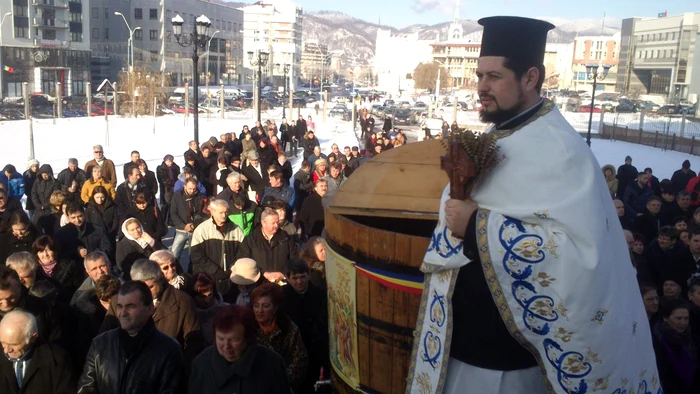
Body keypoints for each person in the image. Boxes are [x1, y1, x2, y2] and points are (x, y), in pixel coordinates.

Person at [408, 17, 658, 394]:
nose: (481, 87)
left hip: (509, 366)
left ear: (530, 78)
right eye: (479, 75)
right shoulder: (502, 132)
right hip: (458, 349)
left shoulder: (560, 150)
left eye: (494, 76)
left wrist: (477, 225)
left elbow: (580, 258)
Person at [78, 281, 186, 393]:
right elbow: (86, 389)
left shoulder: (169, 350)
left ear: (150, 309)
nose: (123, 313)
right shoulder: (100, 345)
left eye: (130, 306)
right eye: (119, 307)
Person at [189, 306, 291, 394]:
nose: (226, 346)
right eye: (220, 339)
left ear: (248, 338)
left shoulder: (272, 363)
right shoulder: (201, 364)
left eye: (234, 340)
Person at [282, 258, 329, 393]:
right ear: (288, 278)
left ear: (308, 275)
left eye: (302, 277)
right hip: (291, 352)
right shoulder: (282, 297)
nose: (299, 281)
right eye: (295, 278)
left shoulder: (320, 295)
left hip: (314, 350)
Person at [0, 310, 75, 393]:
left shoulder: (57, 359)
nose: (6, 350)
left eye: (13, 344)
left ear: (33, 338)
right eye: (3, 343)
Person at [251, 283, 308, 391]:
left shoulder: (288, 328)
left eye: (265, 306)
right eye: (256, 305)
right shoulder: (248, 327)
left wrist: (280, 380)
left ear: (275, 307)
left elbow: (300, 361)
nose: (259, 311)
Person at [190, 199, 245, 297]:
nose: (224, 215)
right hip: (207, 279)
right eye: (221, 212)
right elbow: (196, 256)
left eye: (226, 212)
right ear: (212, 212)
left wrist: (231, 269)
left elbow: (242, 253)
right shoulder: (202, 230)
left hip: (231, 277)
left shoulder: (236, 230)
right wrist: (215, 271)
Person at [0, 265, 61, 344]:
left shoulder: (42, 309)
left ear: (20, 287)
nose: (5, 304)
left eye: (11, 297)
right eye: (0, 299)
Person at [236, 208, 298, 281]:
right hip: (258, 283)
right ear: (263, 223)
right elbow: (244, 260)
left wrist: (284, 274)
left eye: (277, 222)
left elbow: (295, 259)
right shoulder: (250, 240)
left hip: (282, 282)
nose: (276, 225)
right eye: (273, 223)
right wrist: (263, 273)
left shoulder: (286, 238)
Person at [652, 299, 698, 393]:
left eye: (686, 318)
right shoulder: (657, 340)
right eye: (679, 318)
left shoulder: (692, 339)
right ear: (666, 318)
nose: (683, 323)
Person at [170, 177, 206, 265]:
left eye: (194, 189)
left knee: (194, 255)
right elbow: (173, 213)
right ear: (185, 186)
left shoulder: (200, 196)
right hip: (181, 229)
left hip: (194, 229)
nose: (192, 191)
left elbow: (201, 213)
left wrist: (194, 224)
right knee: (174, 255)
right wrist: (183, 226)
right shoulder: (177, 195)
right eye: (190, 188)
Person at [187, 272, 228, 345]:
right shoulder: (187, 314)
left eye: (210, 295)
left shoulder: (226, 310)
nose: (207, 300)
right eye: (202, 297)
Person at [84, 186, 119, 252]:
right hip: (96, 237)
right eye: (97, 197)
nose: (100, 200)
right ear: (93, 197)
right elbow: (88, 221)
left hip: (110, 235)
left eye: (102, 197)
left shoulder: (112, 206)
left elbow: (116, 221)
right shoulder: (90, 208)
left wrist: (112, 232)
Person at [156, 154, 180, 223]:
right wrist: (174, 182)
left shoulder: (176, 167)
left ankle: (171, 220)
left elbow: (178, 176)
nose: (170, 163)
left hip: (174, 189)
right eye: (168, 161)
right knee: (165, 205)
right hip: (166, 189)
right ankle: (162, 221)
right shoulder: (160, 168)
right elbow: (162, 180)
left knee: (173, 205)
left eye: (171, 161)